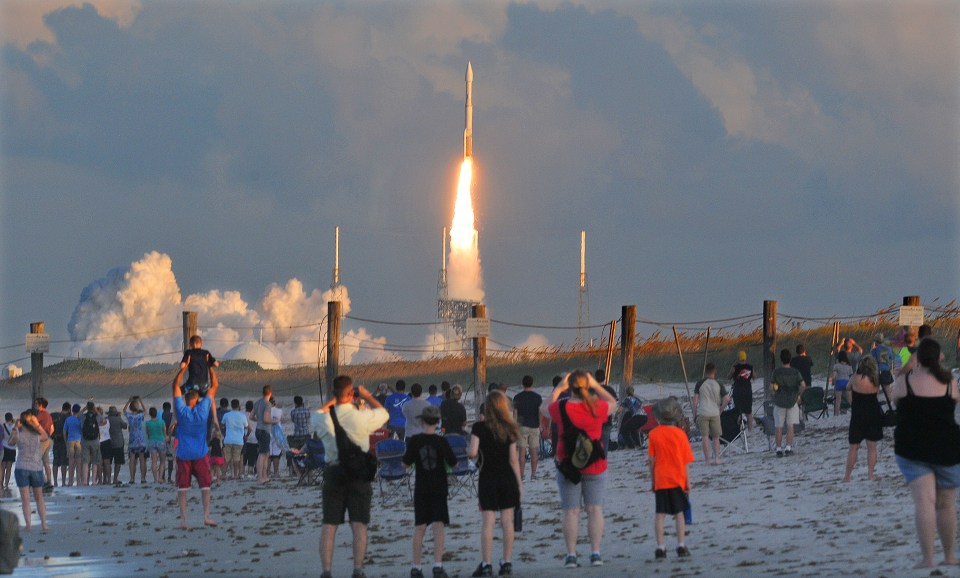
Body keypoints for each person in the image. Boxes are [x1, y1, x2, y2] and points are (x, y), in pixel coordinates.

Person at [892, 338, 960, 569]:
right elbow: (953, 402)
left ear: (918, 358)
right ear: (940, 356)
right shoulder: (950, 381)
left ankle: (928, 558)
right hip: (947, 447)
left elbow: (896, 400)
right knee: (947, 504)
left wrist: (909, 366)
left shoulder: (905, 382)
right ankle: (949, 555)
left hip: (913, 447)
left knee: (924, 502)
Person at [313, 376, 388, 578]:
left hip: (334, 472)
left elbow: (317, 414)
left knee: (329, 525)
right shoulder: (361, 417)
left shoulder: (323, 418)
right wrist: (366, 395)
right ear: (351, 394)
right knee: (359, 524)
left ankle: (326, 571)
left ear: (333, 392)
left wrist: (332, 400)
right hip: (358, 474)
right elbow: (383, 413)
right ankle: (357, 569)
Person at [545, 370, 617, 569]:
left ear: (570, 387)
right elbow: (614, 403)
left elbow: (543, 407)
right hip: (595, 464)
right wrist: (595, 385)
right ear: (586, 385)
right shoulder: (597, 406)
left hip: (568, 465)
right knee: (594, 510)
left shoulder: (561, 407)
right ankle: (595, 553)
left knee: (571, 512)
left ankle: (571, 555)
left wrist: (560, 387)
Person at [468, 390, 522, 577]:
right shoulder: (510, 428)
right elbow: (513, 459)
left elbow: (472, 452)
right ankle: (506, 562)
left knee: (488, 522)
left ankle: (487, 563)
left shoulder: (479, 428)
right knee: (507, 521)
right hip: (507, 478)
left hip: (487, 478)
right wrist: (519, 484)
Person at [403, 405, 457, 578]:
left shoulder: (415, 441)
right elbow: (454, 462)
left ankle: (416, 567)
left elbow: (405, 463)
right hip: (439, 488)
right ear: (438, 421)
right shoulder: (441, 441)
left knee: (420, 528)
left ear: (422, 420)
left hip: (421, 488)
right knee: (438, 526)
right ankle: (437, 565)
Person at [172, 356, 219, 529]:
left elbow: (175, 386)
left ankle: (184, 520)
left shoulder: (182, 411)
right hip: (200, 454)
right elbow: (214, 386)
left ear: (186, 399)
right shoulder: (202, 409)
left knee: (182, 489)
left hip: (184, 454)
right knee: (205, 486)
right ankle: (206, 516)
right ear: (197, 399)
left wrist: (183, 368)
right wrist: (209, 366)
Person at [648, 397, 694, 560]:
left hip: (661, 479)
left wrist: (653, 480)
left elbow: (652, 461)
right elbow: (685, 461)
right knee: (679, 513)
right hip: (677, 479)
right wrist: (687, 482)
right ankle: (681, 545)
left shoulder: (653, 434)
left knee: (660, 514)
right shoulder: (680, 434)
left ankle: (660, 547)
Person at [842, 356, 883, 482]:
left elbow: (847, 388)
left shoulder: (855, 378)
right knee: (872, 446)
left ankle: (847, 476)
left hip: (858, 413)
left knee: (853, 447)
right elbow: (876, 394)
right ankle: (870, 475)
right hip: (873, 413)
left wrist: (851, 401)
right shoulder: (876, 379)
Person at [11, 411, 49, 532]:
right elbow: (46, 436)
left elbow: (11, 442)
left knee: (25, 499)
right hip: (36, 467)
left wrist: (15, 428)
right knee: (39, 497)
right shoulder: (37, 434)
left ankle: (28, 525)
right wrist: (37, 423)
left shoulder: (19, 434)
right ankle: (44, 524)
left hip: (22, 467)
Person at [692, 363, 730, 466]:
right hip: (715, 412)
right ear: (715, 371)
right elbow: (726, 399)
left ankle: (707, 460)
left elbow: (695, 400)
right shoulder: (719, 384)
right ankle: (717, 458)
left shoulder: (700, 383)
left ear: (706, 371)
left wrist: (694, 414)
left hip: (703, 412)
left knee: (705, 437)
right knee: (716, 437)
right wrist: (720, 410)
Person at [772, 349, 806, 457]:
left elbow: (771, 387)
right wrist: (798, 395)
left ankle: (778, 449)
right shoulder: (795, 372)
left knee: (778, 427)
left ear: (781, 359)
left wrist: (774, 395)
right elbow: (803, 385)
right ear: (790, 359)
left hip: (780, 401)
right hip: (792, 401)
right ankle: (788, 447)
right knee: (790, 426)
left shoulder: (776, 372)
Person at [512, 376, 543, 480]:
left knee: (522, 452)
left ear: (522, 384)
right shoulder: (537, 397)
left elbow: (515, 414)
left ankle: (521, 475)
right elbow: (540, 412)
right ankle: (533, 474)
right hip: (534, 426)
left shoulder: (517, 397)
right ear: (532, 383)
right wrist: (540, 424)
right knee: (534, 451)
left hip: (522, 427)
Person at [251, 385, 276, 484]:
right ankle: (260, 478)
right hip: (264, 430)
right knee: (262, 454)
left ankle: (265, 476)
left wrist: (259, 420)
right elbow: (266, 419)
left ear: (262, 393)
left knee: (266, 453)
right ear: (270, 393)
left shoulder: (257, 402)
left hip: (258, 429)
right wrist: (275, 421)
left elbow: (251, 416)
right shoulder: (268, 404)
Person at [727, 351, 755, 432]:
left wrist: (733, 366)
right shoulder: (750, 367)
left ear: (738, 358)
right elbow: (754, 377)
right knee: (749, 412)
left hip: (738, 391)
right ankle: (750, 430)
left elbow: (728, 377)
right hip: (747, 391)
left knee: (738, 411)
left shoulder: (735, 367)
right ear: (745, 358)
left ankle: (738, 430)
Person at [222, 399, 249, 480]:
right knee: (236, 459)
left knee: (227, 458)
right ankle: (235, 475)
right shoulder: (242, 416)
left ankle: (224, 474)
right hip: (238, 440)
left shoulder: (226, 415)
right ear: (238, 406)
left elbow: (222, 425)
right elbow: (247, 427)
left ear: (231, 405)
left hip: (228, 439)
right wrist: (246, 436)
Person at [124, 396, 147, 484]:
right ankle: (143, 478)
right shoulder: (140, 415)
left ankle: (132, 478)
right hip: (140, 439)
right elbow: (145, 410)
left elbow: (124, 410)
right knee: (142, 459)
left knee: (132, 460)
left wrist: (129, 401)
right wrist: (140, 401)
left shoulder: (129, 416)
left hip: (132, 439)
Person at [33, 398, 54, 491]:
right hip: (49, 440)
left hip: (42, 440)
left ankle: (44, 481)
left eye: (37, 403)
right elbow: (52, 428)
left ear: (41, 405)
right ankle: (49, 481)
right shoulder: (48, 415)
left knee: (36, 461)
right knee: (46, 462)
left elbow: (33, 424)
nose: (35, 405)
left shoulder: (41, 414)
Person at [79, 401, 101, 486]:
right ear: (94, 408)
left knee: (85, 462)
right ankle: (94, 481)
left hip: (85, 440)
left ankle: (84, 481)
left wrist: (84, 408)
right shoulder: (96, 417)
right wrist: (96, 410)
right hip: (95, 440)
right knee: (94, 461)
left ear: (87, 408)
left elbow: (78, 415)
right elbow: (101, 418)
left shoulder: (83, 416)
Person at [145, 407, 167, 484]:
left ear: (150, 414)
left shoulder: (148, 423)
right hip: (161, 441)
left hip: (152, 441)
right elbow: (164, 432)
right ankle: (160, 478)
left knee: (154, 461)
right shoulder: (162, 422)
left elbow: (148, 433)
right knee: (162, 461)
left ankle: (155, 479)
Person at [107, 407, 127, 486]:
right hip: (118, 442)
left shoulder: (106, 419)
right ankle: (115, 478)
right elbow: (125, 426)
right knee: (118, 462)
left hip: (108, 442)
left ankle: (107, 478)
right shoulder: (118, 419)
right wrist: (119, 417)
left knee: (108, 462)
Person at [51, 402, 70, 487]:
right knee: (63, 462)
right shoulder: (68, 417)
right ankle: (63, 481)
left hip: (55, 440)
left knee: (55, 461)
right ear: (69, 409)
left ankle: (55, 481)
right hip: (64, 441)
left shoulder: (53, 415)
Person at [63, 404, 82, 486]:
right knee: (78, 461)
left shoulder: (68, 419)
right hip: (79, 440)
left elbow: (64, 432)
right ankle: (78, 481)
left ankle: (70, 481)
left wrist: (65, 441)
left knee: (71, 461)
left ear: (72, 410)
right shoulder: (80, 419)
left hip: (70, 440)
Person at [832, 351, 854, 416]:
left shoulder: (836, 366)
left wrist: (833, 382)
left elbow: (834, 376)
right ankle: (855, 412)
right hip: (847, 383)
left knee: (838, 401)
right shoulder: (849, 366)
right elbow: (851, 377)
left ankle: (836, 415)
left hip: (839, 383)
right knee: (850, 400)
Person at [1, 413, 17, 490]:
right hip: (12, 448)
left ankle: (1, 483)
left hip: (4, 447)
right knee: (9, 468)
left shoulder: (3, 426)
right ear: (12, 418)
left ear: (5, 418)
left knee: (2, 467)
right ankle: (7, 484)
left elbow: (1, 436)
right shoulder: (15, 427)